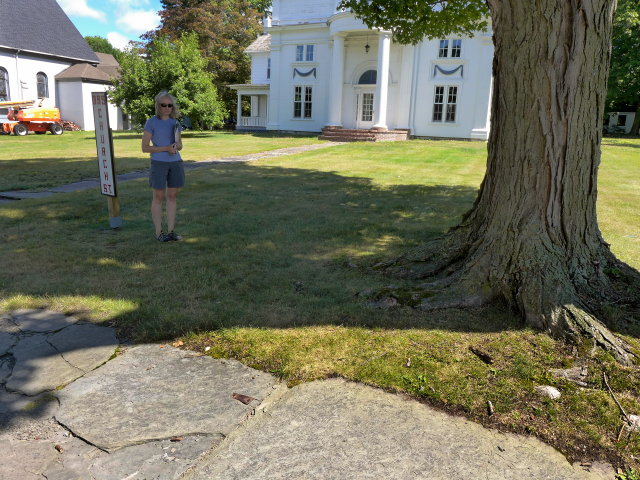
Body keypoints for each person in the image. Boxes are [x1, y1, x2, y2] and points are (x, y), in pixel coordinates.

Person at [142, 91, 184, 242]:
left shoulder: (176, 123)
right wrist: (166, 148)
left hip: (175, 163)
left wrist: (176, 146)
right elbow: (145, 148)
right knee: (158, 197)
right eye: (163, 105)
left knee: (172, 197)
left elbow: (180, 145)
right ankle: (159, 233)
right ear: (158, 106)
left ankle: (171, 231)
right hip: (159, 163)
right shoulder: (151, 122)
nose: (167, 108)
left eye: (170, 105)